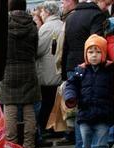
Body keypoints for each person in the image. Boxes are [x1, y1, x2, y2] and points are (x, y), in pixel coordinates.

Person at [64, 35, 114, 148]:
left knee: (100, 146)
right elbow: (71, 85)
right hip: (85, 114)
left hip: (103, 115)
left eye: (98, 52)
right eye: (90, 52)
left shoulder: (110, 71)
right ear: (86, 54)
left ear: (104, 53)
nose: (94, 55)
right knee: (87, 146)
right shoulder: (80, 71)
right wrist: (71, 97)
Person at [61, 0, 106, 148]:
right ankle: (94, 146)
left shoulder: (71, 18)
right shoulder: (96, 16)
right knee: (93, 103)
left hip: (71, 64)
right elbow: (96, 40)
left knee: (80, 107)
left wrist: (64, 70)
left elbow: (65, 45)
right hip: (89, 64)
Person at [0, 0, 40, 148]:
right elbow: (35, 49)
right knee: (29, 110)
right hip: (28, 68)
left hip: (8, 68)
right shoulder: (32, 25)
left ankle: (12, 147)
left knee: (10, 109)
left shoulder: (4, 24)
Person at [36, 1, 64, 139]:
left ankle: (46, 128)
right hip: (58, 70)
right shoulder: (62, 24)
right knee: (56, 101)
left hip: (48, 72)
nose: (41, 14)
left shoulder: (46, 28)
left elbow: (38, 49)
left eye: (42, 11)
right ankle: (58, 128)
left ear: (47, 12)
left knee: (46, 102)